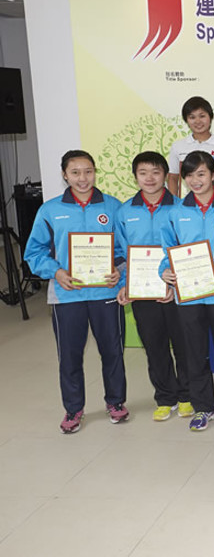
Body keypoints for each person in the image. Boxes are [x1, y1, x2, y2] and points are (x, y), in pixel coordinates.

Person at [24, 150, 127, 433]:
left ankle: (116, 402)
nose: (83, 178)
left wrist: (121, 271)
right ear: (65, 175)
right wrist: (56, 272)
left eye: (88, 171)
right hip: (66, 295)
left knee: (113, 352)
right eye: (76, 172)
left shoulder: (114, 207)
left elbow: (125, 250)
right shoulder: (49, 210)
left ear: (95, 172)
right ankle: (73, 409)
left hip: (106, 293)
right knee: (69, 356)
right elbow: (34, 252)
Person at [160, 151, 214, 432]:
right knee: (194, 352)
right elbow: (167, 250)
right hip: (188, 295)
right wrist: (164, 271)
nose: (196, 180)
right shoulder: (176, 212)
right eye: (190, 175)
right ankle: (203, 407)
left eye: (202, 174)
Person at [115, 151, 191, 422]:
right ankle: (165, 397)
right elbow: (119, 253)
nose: (150, 178)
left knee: (183, 345)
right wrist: (124, 284)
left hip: (175, 290)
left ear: (166, 175)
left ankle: (186, 395)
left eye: (156, 172)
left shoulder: (181, 208)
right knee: (154, 345)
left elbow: (188, 249)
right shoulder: (124, 211)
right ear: (135, 176)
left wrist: (177, 284)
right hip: (142, 291)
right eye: (143, 172)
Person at [168, 96, 214, 197]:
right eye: (192, 117)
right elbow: (173, 178)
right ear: (186, 120)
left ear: (211, 117)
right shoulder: (178, 146)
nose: (198, 121)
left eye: (202, 116)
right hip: (186, 206)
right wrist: (176, 203)